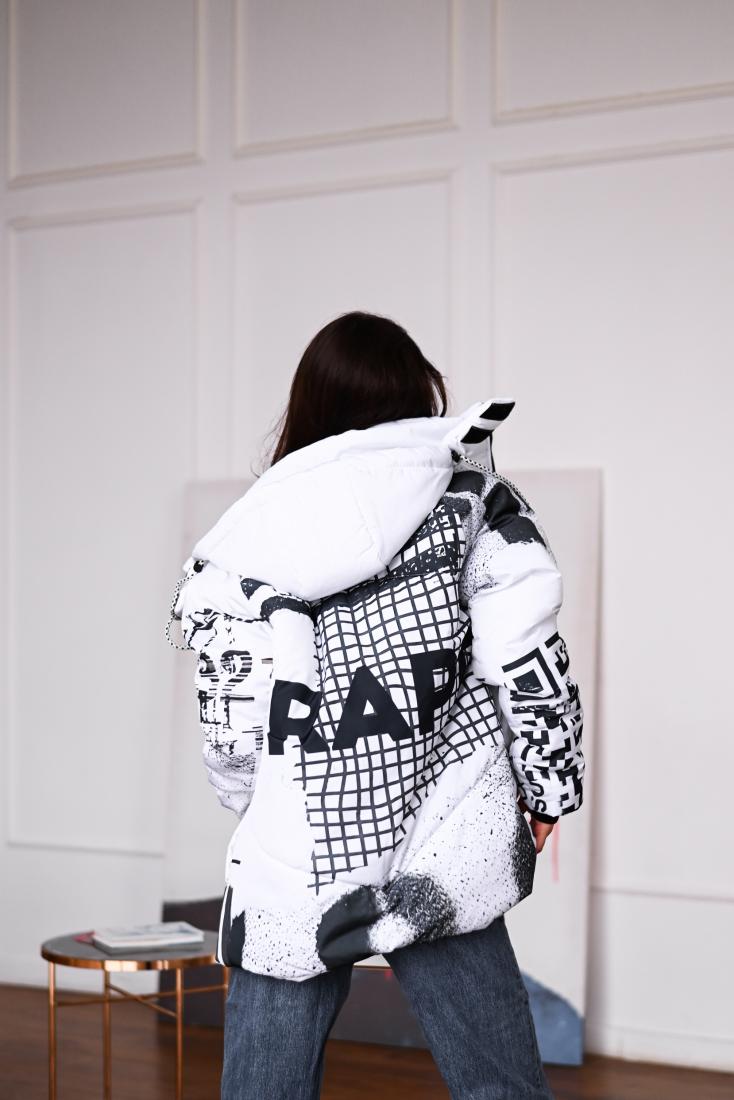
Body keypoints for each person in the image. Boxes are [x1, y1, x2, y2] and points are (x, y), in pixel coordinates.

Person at [168, 310, 585, 1099]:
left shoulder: (252, 533)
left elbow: (231, 713)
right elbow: (528, 659)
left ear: (308, 406)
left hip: (300, 846)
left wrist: (256, 802)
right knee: (499, 1087)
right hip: (444, 835)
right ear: (417, 395)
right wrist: (549, 788)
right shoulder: (476, 500)